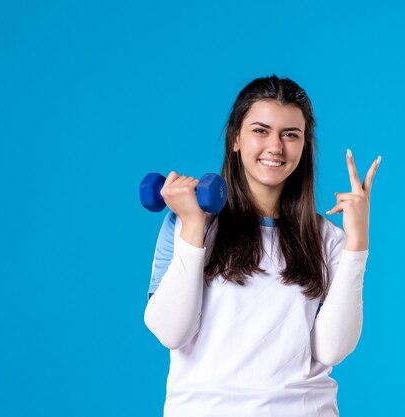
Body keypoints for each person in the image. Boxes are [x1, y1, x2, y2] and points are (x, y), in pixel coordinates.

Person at [143, 74, 380, 417]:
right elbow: (170, 332)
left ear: (303, 145)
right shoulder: (188, 223)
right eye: (260, 131)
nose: (275, 147)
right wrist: (194, 226)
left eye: (290, 135)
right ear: (235, 138)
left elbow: (331, 350)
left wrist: (357, 244)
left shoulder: (329, 239)